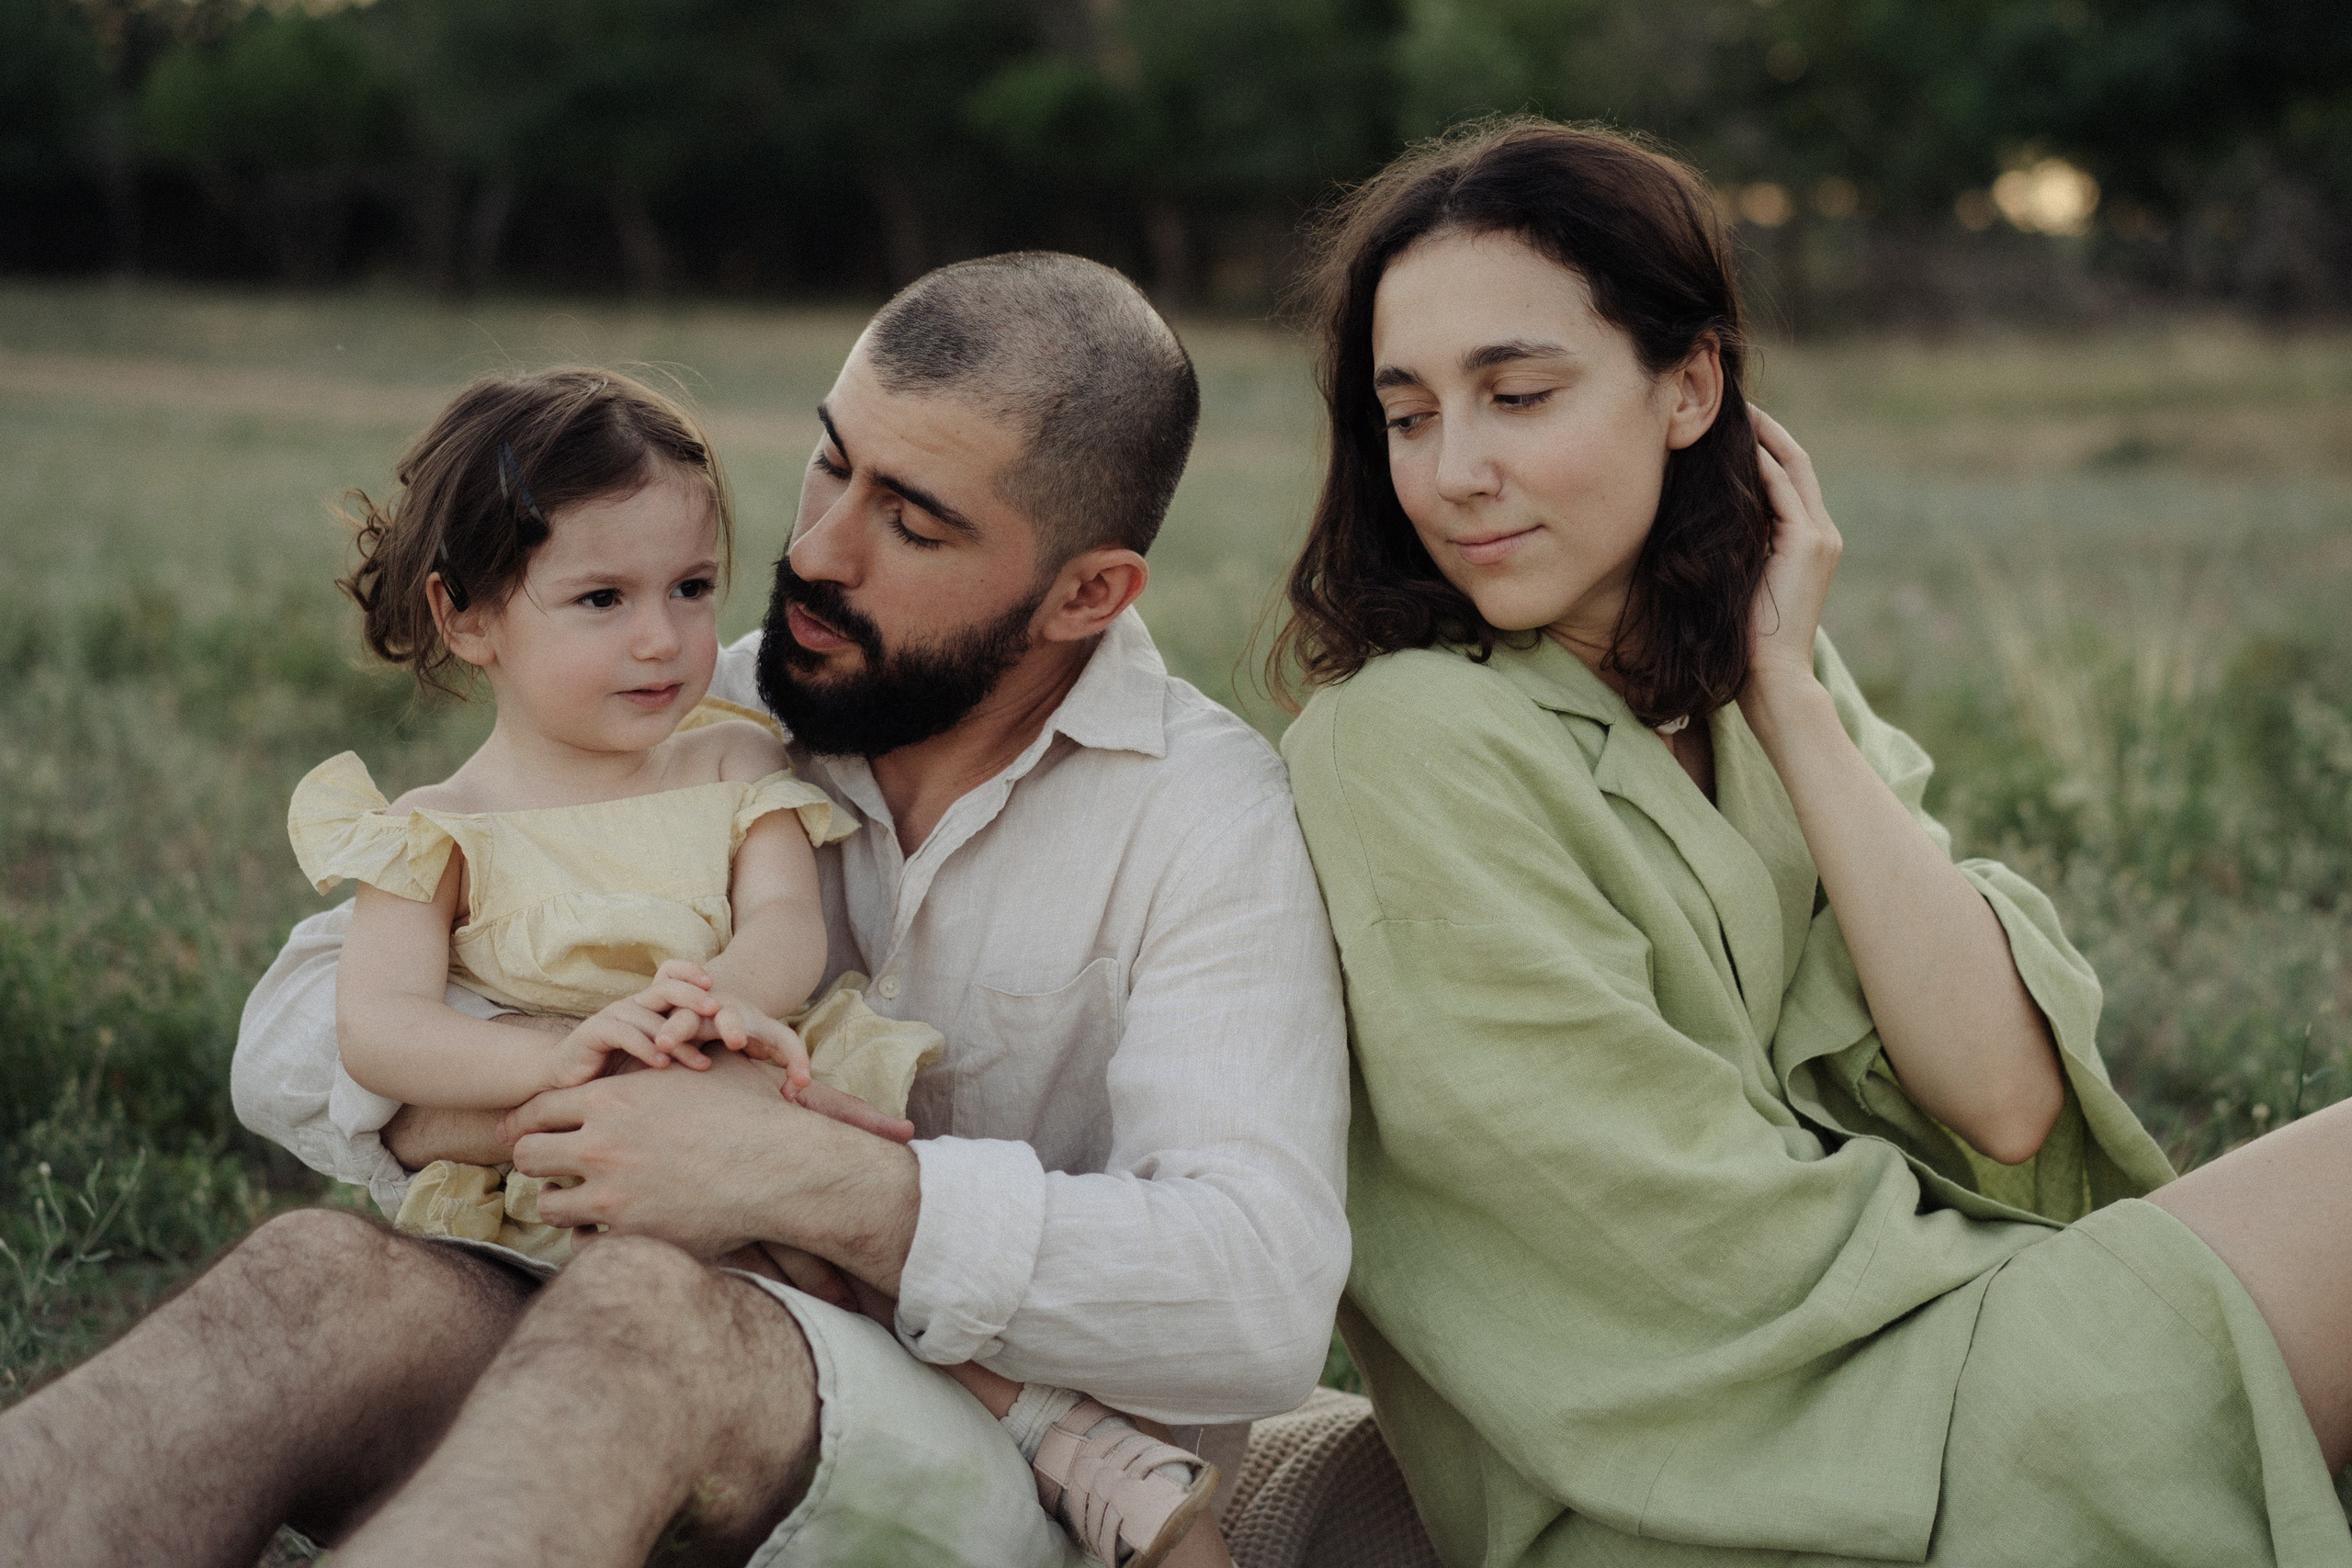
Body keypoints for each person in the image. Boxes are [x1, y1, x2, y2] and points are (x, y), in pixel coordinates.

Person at [0, 252, 1349, 1568]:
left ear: (1088, 592)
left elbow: (1261, 1292)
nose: (814, 547)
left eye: (912, 519)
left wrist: (818, 1180)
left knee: (643, 1322)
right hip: (596, 1287)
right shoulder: (697, 696)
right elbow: (296, 1034)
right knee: (309, 1285)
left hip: (996, 1455)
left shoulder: (1205, 816)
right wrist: (586, 1097)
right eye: (832, 461)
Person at [1275, 118, 2352, 1567]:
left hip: (1929, 1364)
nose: (1456, 468)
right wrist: (2052, 1292)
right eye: (1409, 416)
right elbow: (1658, 1250)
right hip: (1719, 1477)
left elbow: (2003, 1100)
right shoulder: (1398, 742)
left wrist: (1786, 688)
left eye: (1517, 394)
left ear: (1691, 385)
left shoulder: (1755, 679)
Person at [281, 362, 1221, 1566]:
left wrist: (722, 997)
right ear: (467, 617)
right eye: (602, 599)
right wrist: (559, 1058)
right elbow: (381, 1030)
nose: (666, 639)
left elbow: (789, 923)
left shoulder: (727, 763)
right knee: (581, 1358)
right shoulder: (432, 833)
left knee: (847, 1256)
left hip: (743, 1064)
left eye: (691, 588)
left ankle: (1058, 1442)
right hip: (560, 1172)